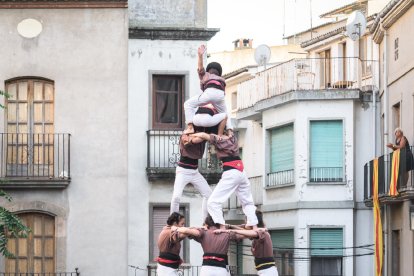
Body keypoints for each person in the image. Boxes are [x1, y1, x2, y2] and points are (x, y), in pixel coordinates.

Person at [190, 130, 258, 229]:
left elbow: (203, 135)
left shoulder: (219, 138)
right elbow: (228, 124)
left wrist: (192, 134)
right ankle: (254, 225)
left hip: (231, 173)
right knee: (247, 201)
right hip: (241, 172)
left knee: (213, 202)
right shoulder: (233, 138)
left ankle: (221, 226)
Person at [183, 45, 233, 136]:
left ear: (208, 71)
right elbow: (222, 92)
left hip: (209, 93)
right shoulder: (221, 79)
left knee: (188, 104)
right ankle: (230, 131)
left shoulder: (207, 75)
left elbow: (200, 68)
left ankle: (190, 127)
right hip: (220, 95)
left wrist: (200, 55)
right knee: (225, 113)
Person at [174, 215, 243, 276]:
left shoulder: (203, 233)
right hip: (221, 269)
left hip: (206, 269)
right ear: (219, 223)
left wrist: (199, 228)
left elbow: (188, 232)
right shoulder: (226, 234)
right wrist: (230, 226)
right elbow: (244, 233)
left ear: (207, 224)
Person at [216, 211, 279, 276]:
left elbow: (248, 232)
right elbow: (244, 230)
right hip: (264, 271)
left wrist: (231, 230)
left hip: (268, 271)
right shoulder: (257, 234)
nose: (245, 223)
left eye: (246, 221)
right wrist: (229, 226)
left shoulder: (263, 233)